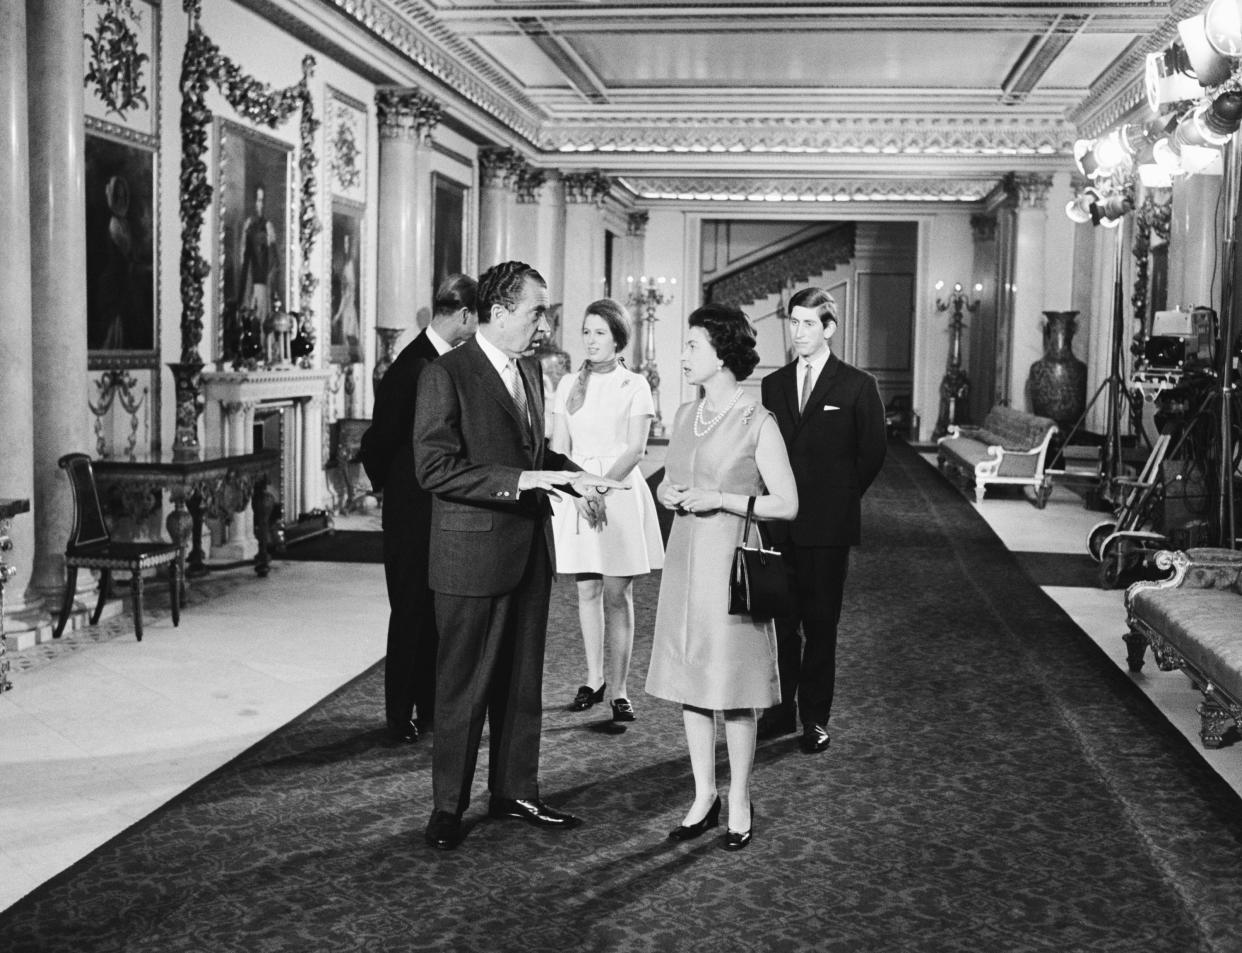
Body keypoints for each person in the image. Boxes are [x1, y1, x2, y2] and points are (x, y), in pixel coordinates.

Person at [413, 261, 625, 851]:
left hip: (529, 551)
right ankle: (447, 807)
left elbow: (538, 453)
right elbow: (433, 468)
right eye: (537, 311)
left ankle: (514, 791)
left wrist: (578, 478)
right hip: (469, 556)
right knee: (463, 687)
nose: (545, 322)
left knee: (521, 682)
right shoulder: (445, 374)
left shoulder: (531, 372)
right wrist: (522, 480)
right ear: (499, 312)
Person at [646, 302, 798, 851]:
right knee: (691, 683)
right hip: (686, 558)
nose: (683, 355)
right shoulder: (686, 415)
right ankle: (703, 795)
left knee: (733, 688)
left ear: (722, 354)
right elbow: (677, 478)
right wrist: (668, 491)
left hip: (730, 561)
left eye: (692, 346)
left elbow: (786, 503)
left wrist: (723, 500)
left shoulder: (758, 421)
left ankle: (739, 799)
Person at [757, 286, 887, 754]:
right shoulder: (773, 385)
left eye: (808, 323)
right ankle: (780, 710)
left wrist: (837, 499)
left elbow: (872, 453)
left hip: (828, 529)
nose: (798, 332)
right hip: (780, 526)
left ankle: (815, 718)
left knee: (821, 625)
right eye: (793, 322)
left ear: (828, 328)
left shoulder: (857, 385)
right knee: (781, 624)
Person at [358, 274, 478, 745]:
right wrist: (396, 491)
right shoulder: (411, 366)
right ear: (464, 315)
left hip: (438, 507)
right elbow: (378, 440)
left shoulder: (446, 361)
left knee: (434, 609)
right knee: (409, 609)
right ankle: (399, 713)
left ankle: (427, 704)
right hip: (412, 511)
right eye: (476, 318)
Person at [550, 299, 664, 723]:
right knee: (586, 590)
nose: (590, 339)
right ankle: (593, 678)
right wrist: (578, 489)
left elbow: (635, 448)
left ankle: (619, 688)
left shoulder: (635, 384)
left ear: (618, 338)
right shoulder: (566, 384)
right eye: (586, 331)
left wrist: (602, 486)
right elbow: (559, 449)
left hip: (617, 493)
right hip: (579, 494)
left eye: (599, 332)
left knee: (617, 594)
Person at [239, 184, 278, 324]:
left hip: (262, 281)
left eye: (261, 201)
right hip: (250, 280)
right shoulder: (247, 224)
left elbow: (273, 259)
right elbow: (243, 254)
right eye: (256, 200)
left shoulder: (268, 227)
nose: (258, 204)